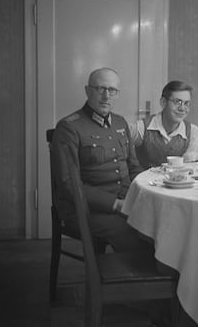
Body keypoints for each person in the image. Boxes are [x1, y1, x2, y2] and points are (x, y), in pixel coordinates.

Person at [52, 68, 149, 252]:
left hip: (125, 201)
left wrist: (152, 188)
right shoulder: (69, 127)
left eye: (112, 90)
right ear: (88, 91)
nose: (106, 96)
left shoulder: (121, 123)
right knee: (131, 231)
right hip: (85, 208)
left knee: (159, 222)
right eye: (100, 89)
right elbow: (68, 183)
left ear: (117, 94)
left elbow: (134, 167)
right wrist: (115, 204)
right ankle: (119, 277)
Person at [130, 80, 198, 172]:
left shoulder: (193, 131)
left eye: (186, 103)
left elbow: (188, 168)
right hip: (145, 183)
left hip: (176, 183)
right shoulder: (142, 127)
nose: (182, 108)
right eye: (177, 102)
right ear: (163, 102)